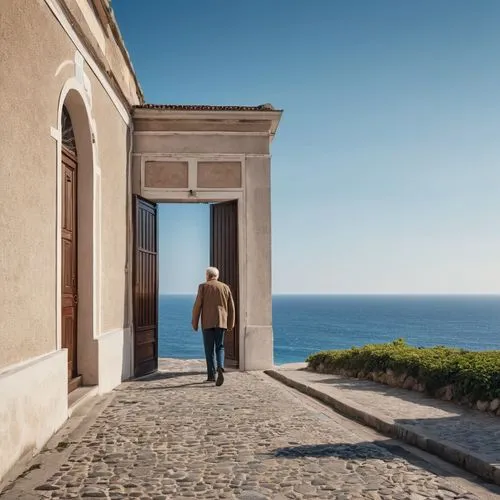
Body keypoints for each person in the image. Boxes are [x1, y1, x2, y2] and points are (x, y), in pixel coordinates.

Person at [191, 266, 235, 386]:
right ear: (217, 276)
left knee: (209, 349)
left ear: (207, 275)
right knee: (220, 346)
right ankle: (220, 367)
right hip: (221, 322)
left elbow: (197, 305)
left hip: (207, 323)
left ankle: (211, 376)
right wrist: (230, 324)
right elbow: (231, 307)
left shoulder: (203, 287)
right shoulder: (225, 287)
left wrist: (194, 323)